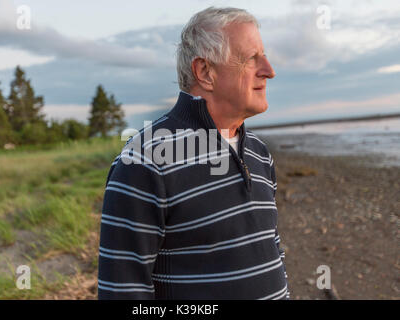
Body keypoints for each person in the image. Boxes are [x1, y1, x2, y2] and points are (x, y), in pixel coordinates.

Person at [97, 6, 289, 299]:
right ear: (205, 72)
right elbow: (123, 292)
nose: (269, 70)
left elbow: (272, 250)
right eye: (252, 58)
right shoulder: (144, 162)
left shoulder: (260, 154)